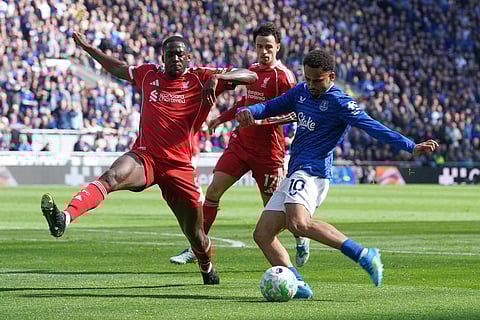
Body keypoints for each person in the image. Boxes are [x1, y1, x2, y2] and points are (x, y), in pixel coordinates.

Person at [41, 32, 257, 285]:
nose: (175, 58)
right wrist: (89, 49)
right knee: (112, 176)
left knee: (196, 236)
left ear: (188, 57)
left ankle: (206, 266)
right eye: (170, 54)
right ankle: (64, 218)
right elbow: (118, 68)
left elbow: (250, 76)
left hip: (180, 166)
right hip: (146, 157)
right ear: (162, 57)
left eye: (180, 54)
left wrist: (219, 78)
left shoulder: (202, 77)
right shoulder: (148, 74)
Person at [236, 48, 439, 296]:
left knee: (299, 223)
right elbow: (270, 106)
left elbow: (373, 127)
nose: (311, 84)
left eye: (317, 80)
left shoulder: (339, 102)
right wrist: (250, 111)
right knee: (263, 234)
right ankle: (299, 284)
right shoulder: (301, 92)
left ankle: (364, 254)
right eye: (307, 78)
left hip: (313, 173)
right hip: (295, 172)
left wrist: (410, 146)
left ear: (331, 76)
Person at [169, 22, 311, 271]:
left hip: (268, 152)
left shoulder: (284, 77)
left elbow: (294, 113)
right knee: (213, 192)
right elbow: (244, 104)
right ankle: (196, 247)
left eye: (268, 46)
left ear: (277, 47)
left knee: (275, 209)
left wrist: (262, 119)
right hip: (241, 145)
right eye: (259, 46)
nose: (263, 51)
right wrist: (220, 118)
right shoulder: (252, 71)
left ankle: (301, 236)